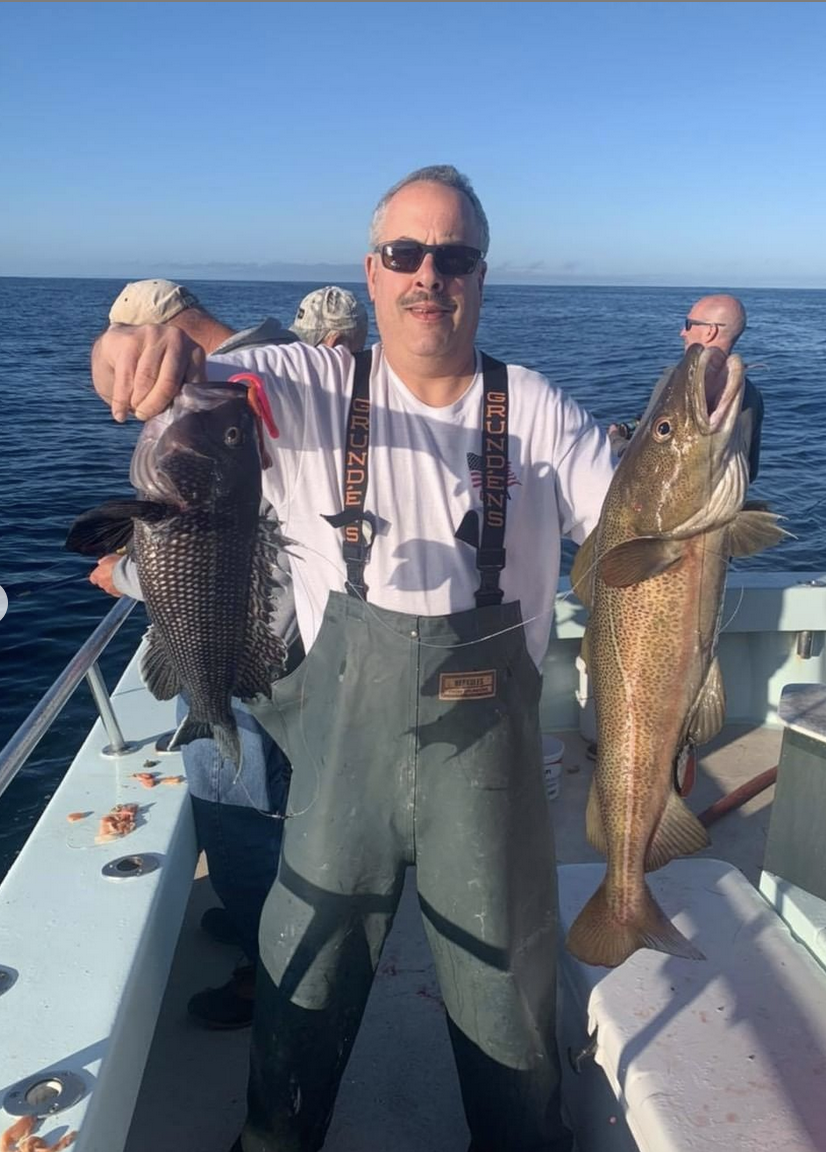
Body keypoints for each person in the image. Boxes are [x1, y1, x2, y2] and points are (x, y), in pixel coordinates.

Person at [91, 165, 615, 1152]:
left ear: (482, 277)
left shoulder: (539, 410)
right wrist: (125, 342)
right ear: (370, 276)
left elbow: (635, 527)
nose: (429, 274)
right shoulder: (307, 380)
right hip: (342, 772)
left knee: (509, 1017)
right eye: (404, 254)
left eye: (453, 256)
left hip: (488, 778)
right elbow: (166, 346)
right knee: (302, 984)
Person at [91, 278, 368, 1030]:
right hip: (273, 641)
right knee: (256, 810)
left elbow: (241, 548)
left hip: (250, 652)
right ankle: (256, 921)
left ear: (163, 330)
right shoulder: (272, 363)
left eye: (135, 346)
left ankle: (262, 967)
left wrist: (124, 571)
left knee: (242, 818)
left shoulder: (246, 394)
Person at [610, 294, 764, 481]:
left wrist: (615, 440)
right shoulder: (752, 396)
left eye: (689, 324)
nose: (682, 332)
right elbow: (750, 472)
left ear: (710, 331)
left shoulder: (676, 384)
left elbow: (640, 464)